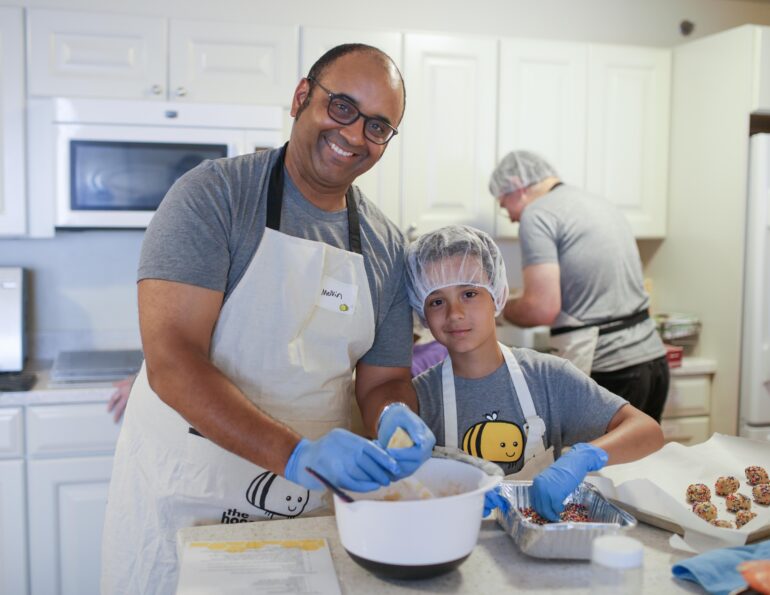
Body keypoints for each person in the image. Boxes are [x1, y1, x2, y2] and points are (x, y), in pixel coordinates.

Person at [101, 44, 435, 595]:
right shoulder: (214, 196)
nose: (355, 136)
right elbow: (172, 360)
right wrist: (296, 454)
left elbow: (385, 378)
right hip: (190, 499)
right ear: (302, 97)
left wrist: (396, 419)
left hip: (309, 509)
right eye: (343, 107)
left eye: (378, 126)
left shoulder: (385, 245)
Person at [405, 224, 664, 521]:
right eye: (437, 301)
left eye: (469, 293)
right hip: (458, 545)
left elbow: (648, 432)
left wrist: (583, 457)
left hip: (543, 551)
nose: (455, 314)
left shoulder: (547, 377)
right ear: (421, 312)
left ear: (497, 295)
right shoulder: (419, 396)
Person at [489, 151, 670, 422]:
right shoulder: (597, 203)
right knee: (639, 462)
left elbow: (541, 309)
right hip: (654, 363)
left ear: (517, 186)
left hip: (612, 369)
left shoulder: (537, 214)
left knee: (598, 464)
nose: (511, 217)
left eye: (505, 206)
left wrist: (498, 309)